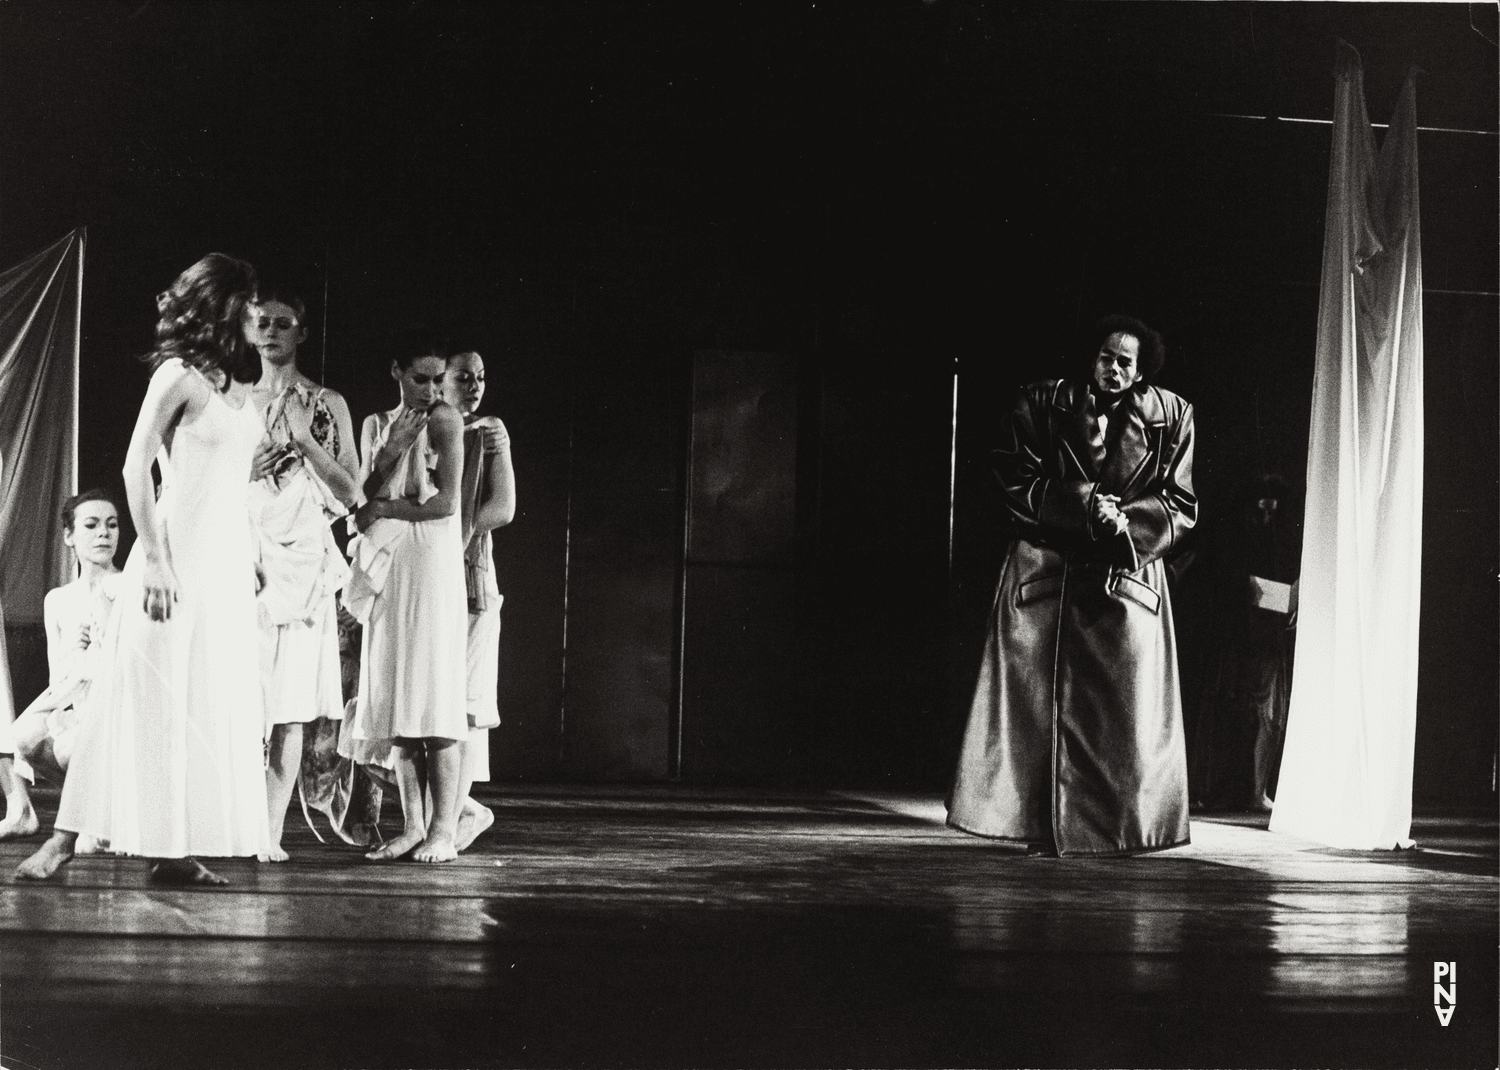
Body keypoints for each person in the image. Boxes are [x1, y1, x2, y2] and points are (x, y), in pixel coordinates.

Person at [16, 253, 271, 884]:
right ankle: (63, 840)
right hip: (173, 555)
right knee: (134, 693)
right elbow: (136, 470)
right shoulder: (177, 377)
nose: (259, 316)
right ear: (222, 307)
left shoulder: (244, 382)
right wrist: (155, 560)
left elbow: (235, 481)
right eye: (248, 303)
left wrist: (254, 553)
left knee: (199, 702)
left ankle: (174, 849)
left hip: (226, 560)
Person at [948, 315, 1197, 856]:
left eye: (1124, 362)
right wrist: (1085, 506)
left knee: (1123, 720)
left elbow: (1181, 505)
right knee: (1034, 715)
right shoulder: (1042, 401)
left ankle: (1118, 832)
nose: (1112, 368)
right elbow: (1014, 476)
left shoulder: (1173, 415)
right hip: (1048, 576)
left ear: (1141, 371)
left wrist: (1125, 521)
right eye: (1106, 357)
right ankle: (1033, 826)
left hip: (1122, 577)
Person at [341, 338, 467, 863]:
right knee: (399, 700)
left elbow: (445, 503)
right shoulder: (375, 423)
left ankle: (444, 829)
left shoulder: (446, 421)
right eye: (421, 379)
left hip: (429, 557)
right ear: (397, 372)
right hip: (391, 561)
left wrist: (387, 506)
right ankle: (412, 824)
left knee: (432, 697)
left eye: (439, 379)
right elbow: (357, 494)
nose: (433, 390)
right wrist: (391, 449)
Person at [244, 290, 359, 861]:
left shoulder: (326, 401)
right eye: (261, 322)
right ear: (246, 330)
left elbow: (352, 492)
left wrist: (308, 442)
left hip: (306, 559)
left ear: (301, 333)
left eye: (283, 323)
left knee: (290, 704)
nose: (271, 332)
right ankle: (231, 822)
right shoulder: (232, 399)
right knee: (243, 697)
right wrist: (246, 469)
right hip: (248, 555)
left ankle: (268, 832)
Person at [1, 491, 123, 847]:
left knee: (73, 745)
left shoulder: (127, 586)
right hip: (76, 700)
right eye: (92, 525)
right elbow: (58, 682)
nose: (104, 533)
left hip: (118, 704)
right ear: (69, 536)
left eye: (112, 525)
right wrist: (78, 654)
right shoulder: (58, 600)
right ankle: (87, 808)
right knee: (24, 733)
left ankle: (103, 815)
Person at [442, 350, 516, 851]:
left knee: (465, 703)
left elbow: (503, 507)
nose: (474, 386)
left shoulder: (487, 431)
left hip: (470, 579)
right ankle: (448, 812)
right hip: (422, 574)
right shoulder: (424, 427)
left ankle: (456, 814)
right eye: (463, 377)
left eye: (481, 378)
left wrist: (458, 533)